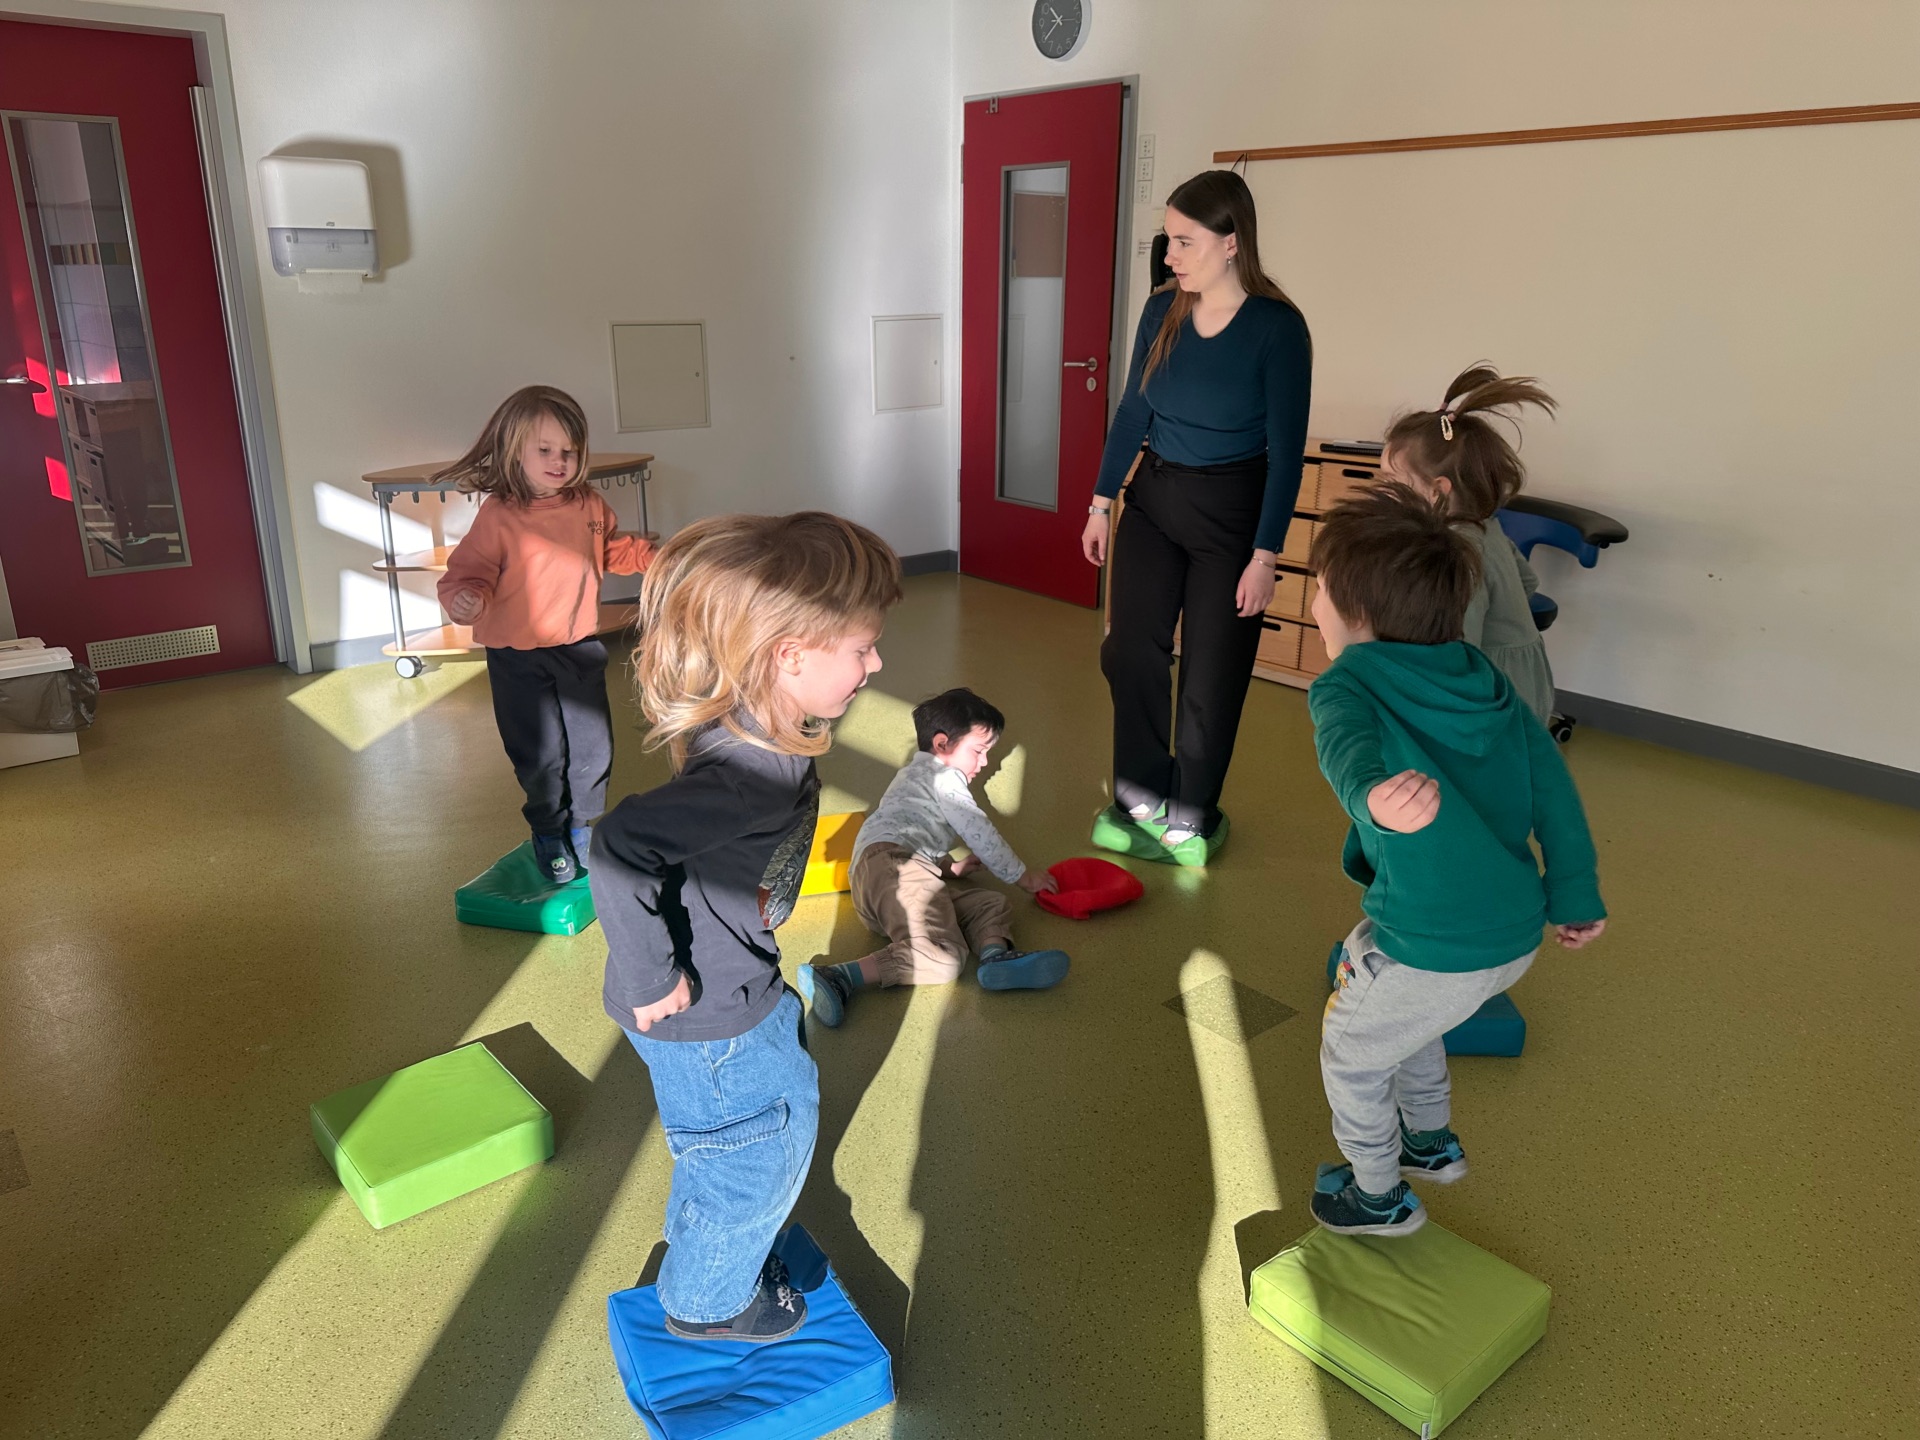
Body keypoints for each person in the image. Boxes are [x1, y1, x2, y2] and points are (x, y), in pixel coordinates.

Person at [592, 511, 902, 1341]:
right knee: (755, 1151)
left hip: (731, 983)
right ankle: (707, 1303)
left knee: (737, 1135)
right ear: (788, 655)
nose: (876, 663)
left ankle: (715, 1248)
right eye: (861, 648)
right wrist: (656, 976)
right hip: (704, 1010)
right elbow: (619, 846)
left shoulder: (752, 716)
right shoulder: (753, 773)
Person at [1304, 484, 1606, 1237]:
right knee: (1413, 1022)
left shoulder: (1346, 680)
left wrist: (1371, 798)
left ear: (1355, 613)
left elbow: (1346, 752)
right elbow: (1555, 795)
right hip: (1511, 935)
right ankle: (1428, 1143)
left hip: (1435, 938)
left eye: (1317, 588)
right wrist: (1574, 893)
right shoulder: (1483, 676)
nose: (1311, 601)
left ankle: (1377, 1196)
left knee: (1350, 1052)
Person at [1082, 169, 1312, 868]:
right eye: (1169, 241)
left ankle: (1192, 810)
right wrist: (1100, 502)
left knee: (1212, 674)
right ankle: (1139, 795)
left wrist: (1266, 554)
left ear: (1231, 241)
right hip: (1154, 500)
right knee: (1129, 650)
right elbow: (1132, 413)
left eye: (1185, 242)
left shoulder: (1278, 329)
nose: (1172, 255)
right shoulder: (1162, 311)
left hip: (1233, 514)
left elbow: (1286, 452)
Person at [435, 385, 653, 885]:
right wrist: (466, 597)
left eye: (569, 451)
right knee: (542, 753)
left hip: (577, 648)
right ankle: (548, 830)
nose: (560, 461)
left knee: (594, 748)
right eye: (545, 450)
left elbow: (612, 552)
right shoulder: (500, 515)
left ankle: (582, 826)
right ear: (516, 451)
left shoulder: (589, 507)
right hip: (516, 656)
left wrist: (652, 559)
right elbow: (466, 574)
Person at [797, 687, 1070, 1027]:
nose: (985, 764)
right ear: (942, 744)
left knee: (990, 903)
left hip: (884, 880)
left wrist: (950, 868)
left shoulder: (915, 777)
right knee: (946, 958)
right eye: (980, 751)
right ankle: (840, 976)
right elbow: (979, 831)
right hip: (894, 869)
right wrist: (1022, 876)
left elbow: (909, 831)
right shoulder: (945, 778)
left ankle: (995, 958)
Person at [1379, 365, 1559, 721]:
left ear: (1438, 490)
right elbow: (1527, 583)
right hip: (1528, 679)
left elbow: (1459, 650)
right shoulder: (1485, 525)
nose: (1383, 489)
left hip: (1492, 695)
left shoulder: (1456, 552)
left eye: (1391, 479)